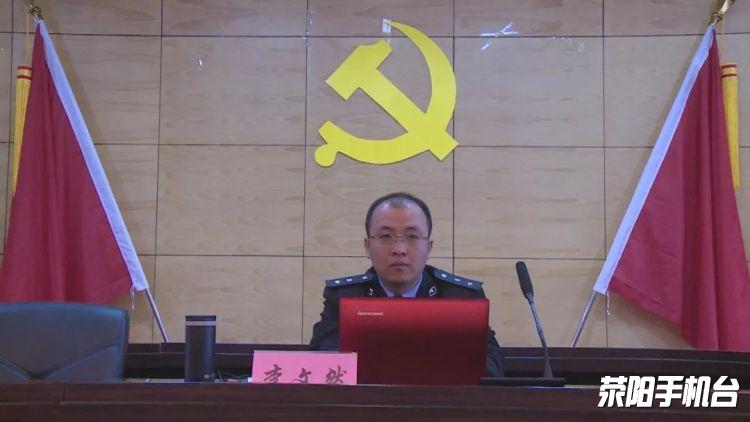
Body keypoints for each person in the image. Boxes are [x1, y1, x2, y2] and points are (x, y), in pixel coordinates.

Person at [310, 192, 504, 377]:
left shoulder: (460, 298)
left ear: (429, 248)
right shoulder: (346, 297)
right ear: (367, 246)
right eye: (385, 237)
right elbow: (324, 362)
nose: (399, 249)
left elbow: (491, 368)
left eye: (412, 237)